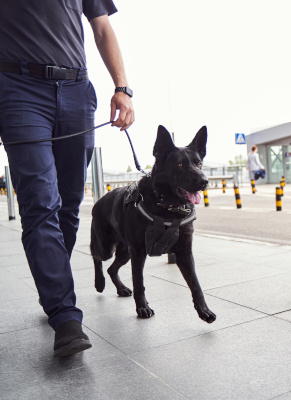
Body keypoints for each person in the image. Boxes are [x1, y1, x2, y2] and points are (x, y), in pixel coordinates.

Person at [0, 0, 134, 357]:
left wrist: (123, 87)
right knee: (41, 203)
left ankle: (53, 289)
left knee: (69, 206)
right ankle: (64, 315)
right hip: (18, 90)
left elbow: (102, 27)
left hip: (77, 91)